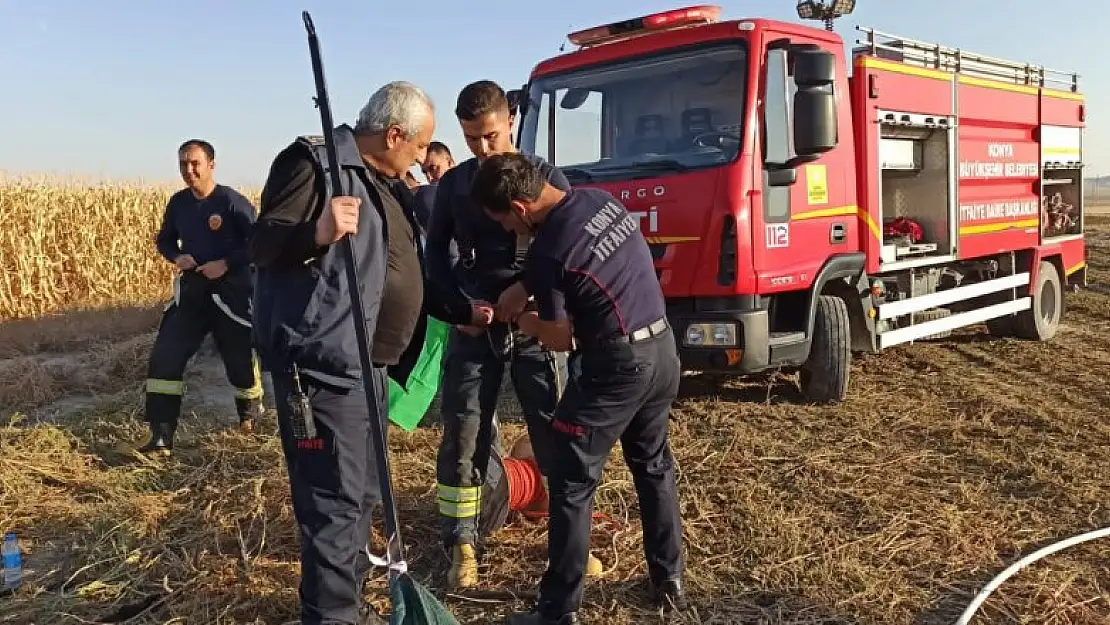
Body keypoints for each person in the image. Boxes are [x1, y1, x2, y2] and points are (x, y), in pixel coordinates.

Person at [248, 81, 493, 625]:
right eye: (418, 146)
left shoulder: (383, 183)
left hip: (370, 371)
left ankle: (349, 606)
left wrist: (461, 312)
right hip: (323, 372)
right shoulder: (312, 165)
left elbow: (409, 271)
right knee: (333, 509)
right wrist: (317, 232)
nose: (420, 160)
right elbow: (262, 243)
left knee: (360, 500)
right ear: (393, 133)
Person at [470, 153, 688, 625]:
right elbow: (583, 259)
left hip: (614, 367)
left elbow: (559, 336)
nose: (509, 233)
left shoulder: (548, 251)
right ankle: (669, 580)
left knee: (570, 479)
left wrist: (520, 315)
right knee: (652, 465)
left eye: (506, 222)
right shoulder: (597, 201)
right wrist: (528, 285)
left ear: (520, 208)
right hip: (662, 349)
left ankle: (557, 610)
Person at [425, 79, 599, 589]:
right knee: (464, 430)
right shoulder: (455, 186)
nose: (483, 149)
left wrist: (526, 290)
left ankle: (571, 542)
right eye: (472, 139)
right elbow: (436, 257)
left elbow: (569, 248)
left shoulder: (545, 177)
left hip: (534, 326)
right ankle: (462, 543)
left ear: (511, 124)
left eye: (492, 137)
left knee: (555, 429)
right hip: (475, 328)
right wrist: (459, 307)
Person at [140, 139, 264, 455]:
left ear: (211, 164)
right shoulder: (179, 203)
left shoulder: (232, 202)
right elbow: (165, 240)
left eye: (195, 163)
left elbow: (259, 244)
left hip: (231, 295)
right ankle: (161, 438)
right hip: (193, 294)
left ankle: (249, 420)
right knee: (165, 358)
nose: (189, 170)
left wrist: (226, 264)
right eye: (183, 163)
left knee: (239, 364)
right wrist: (176, 256)